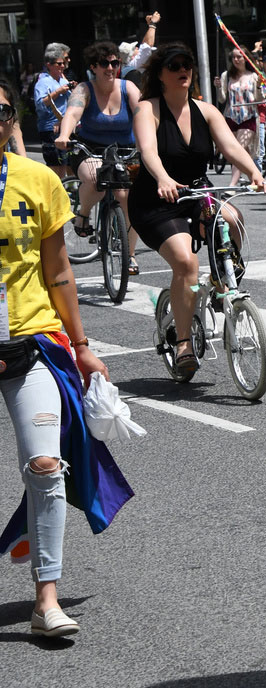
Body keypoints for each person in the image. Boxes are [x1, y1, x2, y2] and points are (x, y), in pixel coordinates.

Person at [0, 75, 132, 638]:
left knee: (46, 467)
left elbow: (58, 271)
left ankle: (45, 600)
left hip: (29, 343)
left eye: (1, 112)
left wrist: (81, 347)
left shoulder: (37, 180)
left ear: (12, 121)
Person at [128, 44, 266, 373]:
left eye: (187, 64)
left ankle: (223, 284)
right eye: (175, 65)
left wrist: (255, 173)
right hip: (156, 199)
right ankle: (182, 343)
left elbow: (230, 145)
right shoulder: (147, 109)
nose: (183, 70)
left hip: (196, 192)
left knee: (232, 218)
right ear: (160, 74)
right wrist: (163, 178)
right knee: (186, 262)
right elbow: (148, 151)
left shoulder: (205, 110)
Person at [54, 40, 142, 274]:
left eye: (115, 63)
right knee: (95, 180)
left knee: (128, 199)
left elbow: (143, 113)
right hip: (90, 149)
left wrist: (155, 136)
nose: (110, 68)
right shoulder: (84, 89)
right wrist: (64, 135)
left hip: (124, 150)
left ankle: (130, 255)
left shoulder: (128, 88)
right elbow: (72, 113)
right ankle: (83, 214)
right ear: (93, 67)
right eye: (104, 63)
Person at [216, 46, 260, 188]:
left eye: (239, 56)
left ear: (245, 58)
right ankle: (256, 179)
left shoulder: (254, 76)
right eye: (233, 57)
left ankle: (232, 185)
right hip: (231, 117)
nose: (236, 59)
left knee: (238, 149)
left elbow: (259, 99)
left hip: (248, 117)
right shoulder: (226, 76)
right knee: (243, 152)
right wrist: (218, 87)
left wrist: (260, 87)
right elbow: (222, 99)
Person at [33, 44, 73, 177]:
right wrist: (57, 92)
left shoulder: (63, 80)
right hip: (50, 128)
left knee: (70, 163)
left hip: (65, 127)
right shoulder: (43, 82)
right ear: (49, 65)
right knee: (56, 166)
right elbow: (40, 104)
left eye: (63, 63)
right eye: (59, 64)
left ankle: (70, 188)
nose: (62, 66)